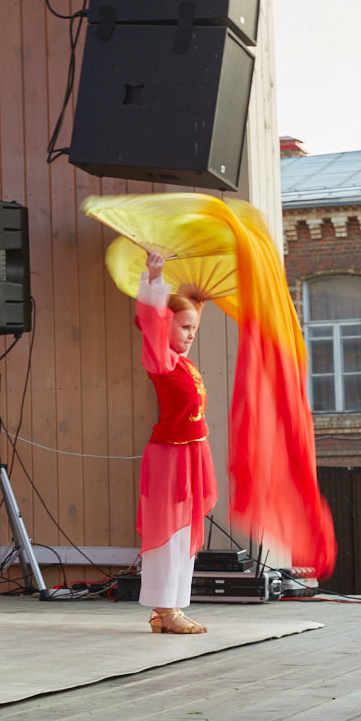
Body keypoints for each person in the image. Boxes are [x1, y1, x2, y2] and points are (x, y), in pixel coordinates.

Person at [135, 250, 217, 634]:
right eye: (184, 327)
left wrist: (196, 301)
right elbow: (150, 320)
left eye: (194, 330)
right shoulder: (161, 360)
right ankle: (165, 609)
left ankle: (171, 609)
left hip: (189, 456)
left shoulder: (185, 364)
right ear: (164, 326)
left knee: (184, 533)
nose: (190, 335)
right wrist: (155, 279)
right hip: (169, 457)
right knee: (167, 533)